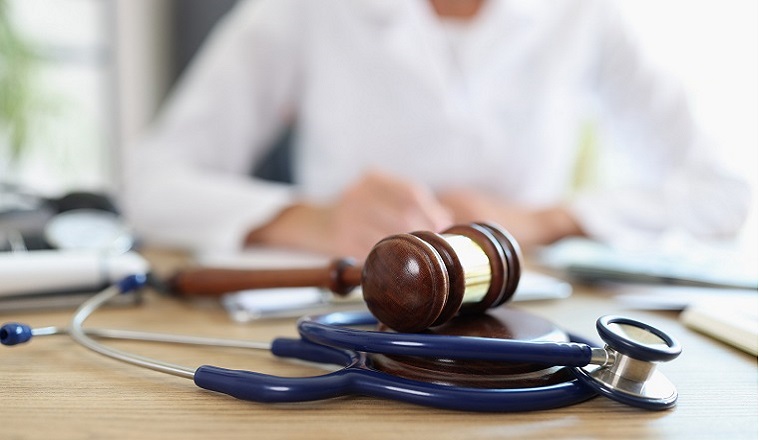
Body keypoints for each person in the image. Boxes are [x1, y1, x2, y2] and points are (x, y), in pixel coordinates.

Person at [122, 0, 749, 260]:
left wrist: (553, 219)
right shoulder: (302, 10)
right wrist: (311, 219)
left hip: (531, 327)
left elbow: (726, 193)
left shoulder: (586, 15)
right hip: (352, 314)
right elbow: (152, 182)